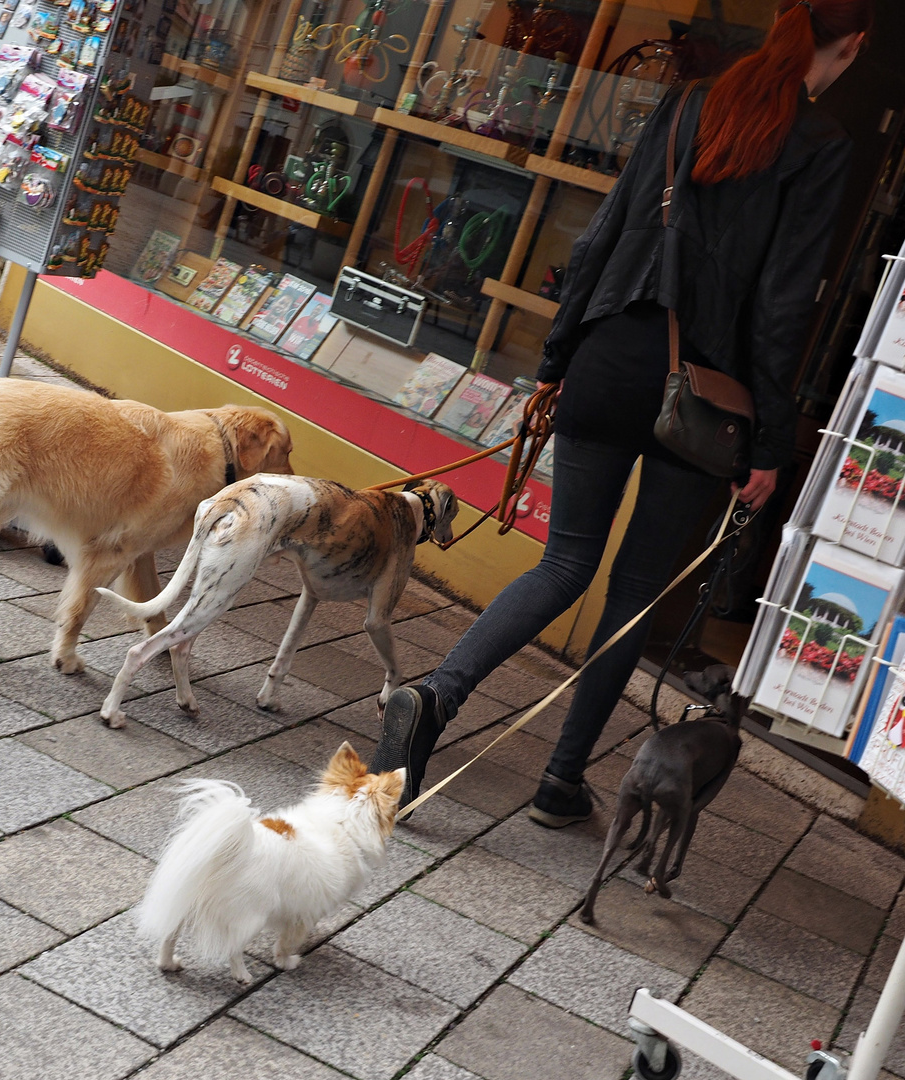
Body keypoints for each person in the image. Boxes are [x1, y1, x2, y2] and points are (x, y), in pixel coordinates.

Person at [371, 0, 871, 826]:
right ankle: (560, 782)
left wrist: (558, 359)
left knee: (562, 563)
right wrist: (772, 445)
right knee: (633, 595)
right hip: (703, 393)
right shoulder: (821, 146)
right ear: (849, 48)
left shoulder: (688, 105)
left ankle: (433, 696)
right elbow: (783, 308)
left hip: (609, 358)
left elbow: (601, 235)